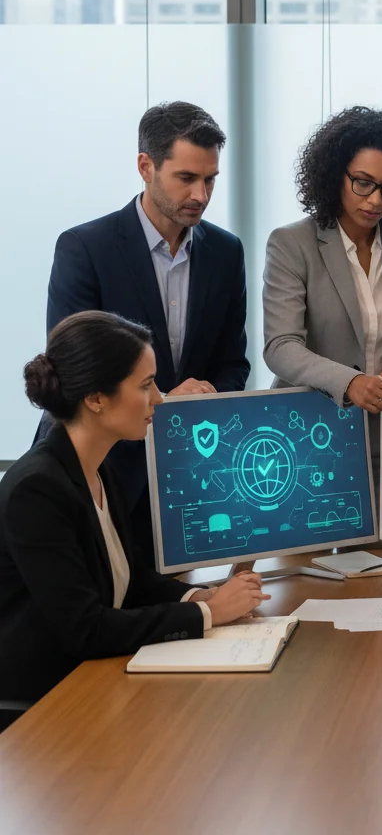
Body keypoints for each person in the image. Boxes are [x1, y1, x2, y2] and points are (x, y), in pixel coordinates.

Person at [0, 311, 268, 730]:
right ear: (96, 398)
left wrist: (201, 597)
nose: (160, 398)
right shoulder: (36, 490)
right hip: (47, 704)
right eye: (146, 386)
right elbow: (85, 628)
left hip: (93, 677)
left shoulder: (100, 468)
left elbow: (133, 580)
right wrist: (210, 613)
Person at [42, 101, 250, 563]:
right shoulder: (85, 248)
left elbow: (234, 362)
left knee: (181, 617)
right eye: (186, 178)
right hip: (100, 471)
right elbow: (72, 372)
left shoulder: (226, 252)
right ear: (146, 166)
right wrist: (165, 399)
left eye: (211, 179)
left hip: (186, 474)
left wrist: (207, 395)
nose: (201, 193)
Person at [263, 105, 382, 484]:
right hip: (307, 439)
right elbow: (280, 346)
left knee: (381, 547)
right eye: (362, 182)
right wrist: (351, 383)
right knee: (308, 546)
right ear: (334, 175)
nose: (375, 199)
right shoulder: (292, 243)